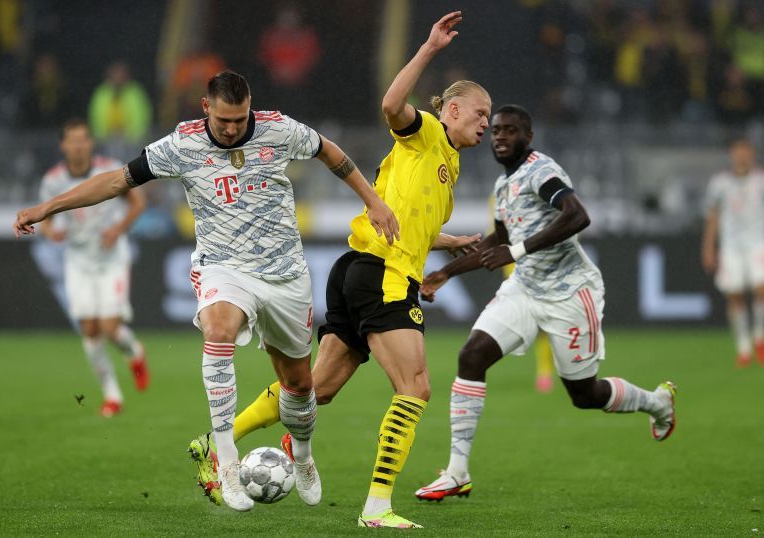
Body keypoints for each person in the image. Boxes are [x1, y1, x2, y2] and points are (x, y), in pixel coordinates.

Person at [15, 70, 399, 513]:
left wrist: (373, 200)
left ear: (250, 108)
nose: (233, 129)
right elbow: (117, 181)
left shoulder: (277, 128)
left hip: (285, 273)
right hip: (223, 267)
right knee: (217, 331)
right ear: (205, 108)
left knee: (298, 384)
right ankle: (227, 465)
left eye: (239, 119)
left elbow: (329, 152)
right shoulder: (182, 144)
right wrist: (48, 207)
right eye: (223, 121)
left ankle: (304, 455)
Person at [188, 12, 489, 529]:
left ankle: (214, 442)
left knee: (315, 390)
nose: (486, 123)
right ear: (454, 108)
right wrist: (428, 49)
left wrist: (453, 242)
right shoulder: (428, 134)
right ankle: (377, 507)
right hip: (382, 275)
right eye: (481, 113)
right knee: (414, 388)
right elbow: (392, 105)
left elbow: (407, 222)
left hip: (358, 269)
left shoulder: (447, 164)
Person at [413, 105, 677, 502]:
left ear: (528, 137)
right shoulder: (503, 188)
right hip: (525, 289)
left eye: (510, 131)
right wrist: (446, 273)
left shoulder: (542, 172)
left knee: (583, 395)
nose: (500, 136)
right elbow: (496, 243)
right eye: (496, 130)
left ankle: (657, 403)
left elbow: (577, 216)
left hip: (570, 293)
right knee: (471, 356)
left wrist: (516, 251)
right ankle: (456, 471)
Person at [38, 118, 148, 417]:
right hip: (78, 260)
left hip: (111, 257)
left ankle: (135, 352)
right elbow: (45, 223)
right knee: (89, 329)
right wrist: (51, 233)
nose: (78, 145)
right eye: (72, 140)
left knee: (110, 328)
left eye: (83, 139)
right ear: (63, 145)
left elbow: (138, 201)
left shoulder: (108, 168)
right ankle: (112, 395)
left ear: (90, 143)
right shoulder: (53, 180)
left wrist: (118, 230)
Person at [702, 137, 764, 367]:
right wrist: (708, 248)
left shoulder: (760, 180)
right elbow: (712, 218)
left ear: (752, 154)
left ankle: (759, 335)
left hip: (758, 242)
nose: (742, 155)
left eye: (745, 151)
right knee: (734, 294)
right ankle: (743, 345)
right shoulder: (720, 183)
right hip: (731, 246)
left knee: (761, 287)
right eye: (738, 151)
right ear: (731, 154)